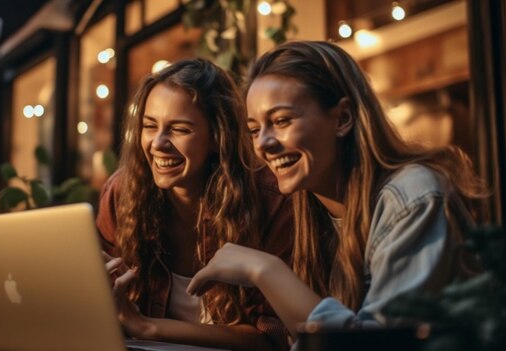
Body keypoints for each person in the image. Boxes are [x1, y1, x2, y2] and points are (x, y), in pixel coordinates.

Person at [187, 41, 485, 339]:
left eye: (281, 121)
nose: (263, 144)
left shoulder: (413, 196)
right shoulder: (308, 208)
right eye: (254, 130)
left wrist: (265, 270)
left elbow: (379, 347)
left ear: (342, 118)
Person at [97, 58, 294, 351]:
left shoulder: (270, 198)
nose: (158, 143)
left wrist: (148, 326)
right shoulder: (122, 191)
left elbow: (272, 335)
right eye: (150, 126)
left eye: (179, 129)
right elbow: (104, 306)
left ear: (217, 136)